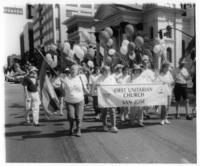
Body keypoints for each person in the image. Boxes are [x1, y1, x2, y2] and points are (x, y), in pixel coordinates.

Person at [61, 65, 89, 137]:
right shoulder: (66, 78)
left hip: (79, 100)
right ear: (70, 70)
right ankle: (71, 127)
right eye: (72, 69)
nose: (73, 70)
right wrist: (62, 83)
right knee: (71, 117)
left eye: (75, 69)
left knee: (79, 116)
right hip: (69, 101)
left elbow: (85, 87)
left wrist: (88, 92)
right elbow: (63, 89)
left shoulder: (81, 77)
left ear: (77, 71)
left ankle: (78, 129)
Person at [96, 66, 119, 133]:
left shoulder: (112, 78)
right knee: (104, 112)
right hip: (103, 98)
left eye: (108, 70)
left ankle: (113, 126)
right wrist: (98, 85)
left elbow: (116, 86)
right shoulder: (99, 78)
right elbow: (96, 86)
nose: (106, 72)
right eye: (105, 70)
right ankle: (105, 125)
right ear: (102, 71)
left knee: (112, 111)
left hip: (111, 97)